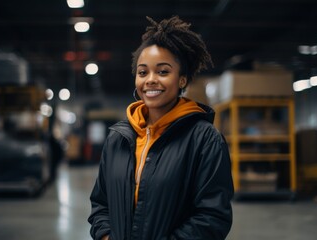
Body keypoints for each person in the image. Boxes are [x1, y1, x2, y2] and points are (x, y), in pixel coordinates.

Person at [88, 16, 234, 240]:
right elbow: (101, 203)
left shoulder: (205, 140)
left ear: (182, 80)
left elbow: (212, 217)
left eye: (163, 72)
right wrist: (106, 235)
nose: (150, 80)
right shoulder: (118, 138)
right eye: (143, 72)